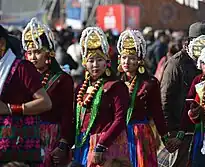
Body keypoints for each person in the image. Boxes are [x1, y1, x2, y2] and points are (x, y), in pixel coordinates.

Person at [73, 27, 131, 167]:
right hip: (82, 144)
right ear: (85, 63)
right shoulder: (81, 88)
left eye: (99, 60)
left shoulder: (116, 87)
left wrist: (102, 144)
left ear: (107, 62)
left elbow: (120, 119)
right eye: (91, 60)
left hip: (106, 146)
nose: (95, 65)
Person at [22, 18, 75, 167]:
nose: (32, 57)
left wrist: (63, 145)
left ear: (49, 54)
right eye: (29, 53)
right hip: (27, 135)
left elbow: (67, 114)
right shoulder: (23, 78)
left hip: (51, 138)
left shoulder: (62, 79)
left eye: (37, 52)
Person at [159, 22, 205, 167]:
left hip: (202, 132)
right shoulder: (176, 64)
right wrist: (171, 132)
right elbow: (165, 99)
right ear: (189, 42)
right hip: (179, 131)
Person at [116, 29, 169, 167]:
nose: (126, 61)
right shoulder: (115, 82)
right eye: (124, 57)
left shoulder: (149, 83)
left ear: (139, 61)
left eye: (132, 58)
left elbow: (157, 112)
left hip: (140, 135)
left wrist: (165, 136)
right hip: (117, 135)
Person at [0, 24, 52, 164]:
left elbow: (45, 102)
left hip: (16, 144)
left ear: (2, 43)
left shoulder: (22, 68)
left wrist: (10, 108)